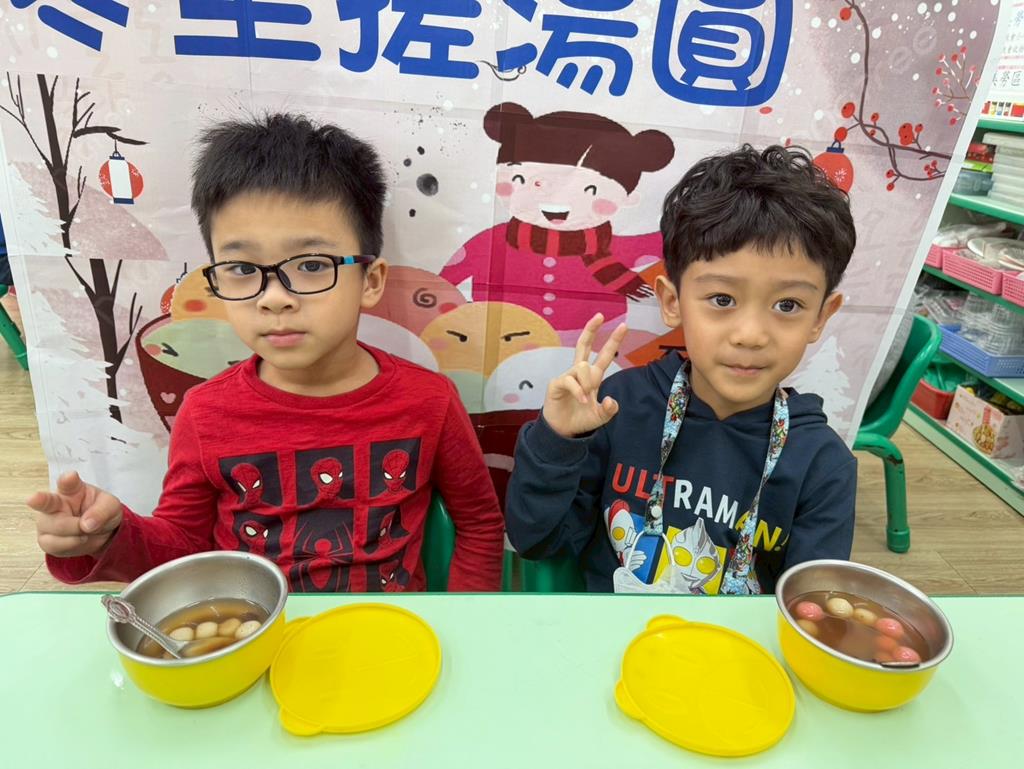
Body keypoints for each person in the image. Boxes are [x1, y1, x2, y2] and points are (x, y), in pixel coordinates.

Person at [30, 113, 505, 592]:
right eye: (241, 268)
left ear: (371, 280)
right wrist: (109, 537)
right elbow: (183, 548)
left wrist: (464, 620)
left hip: (388, 629)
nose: (274, 297)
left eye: (312, 265)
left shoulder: (429, 401)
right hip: (255, 628)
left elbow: (480, 523)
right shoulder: (206, 413)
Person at [505, 144, 858, 594]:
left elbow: (810, 606)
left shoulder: (823, 465)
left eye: (788, 305)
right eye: (722, 299)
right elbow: (537, 541)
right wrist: (557, 442)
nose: (750, 335)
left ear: (821, 317)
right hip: (618, 634)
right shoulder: (619, 407)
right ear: (672, 302)